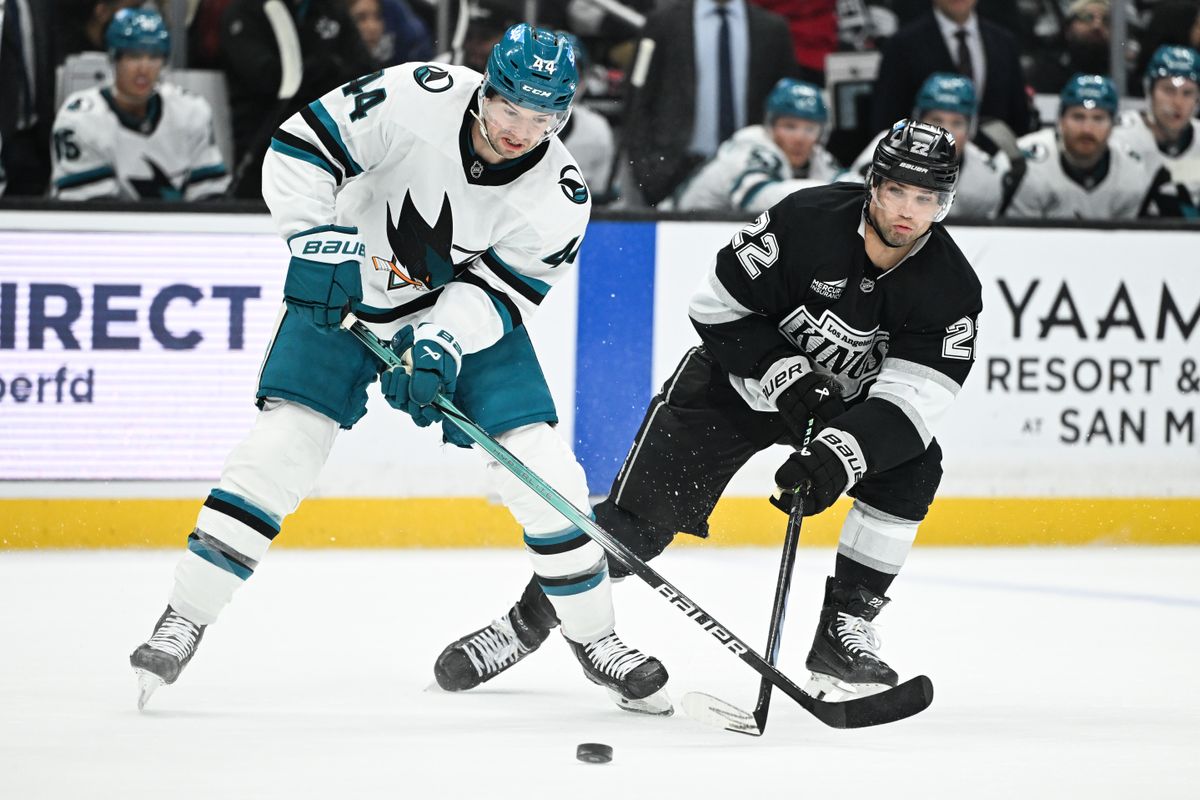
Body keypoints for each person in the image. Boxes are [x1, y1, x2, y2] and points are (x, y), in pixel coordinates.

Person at [128, 25, 668, 715]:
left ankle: (596, 638)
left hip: (457, 307)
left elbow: (501, 292)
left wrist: (442, 340)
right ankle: (185, 616)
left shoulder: (560, 195)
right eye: (509, 108)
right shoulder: (415, 94)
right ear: (487, 88)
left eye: (542, 118)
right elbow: (300, 146)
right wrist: (313, 240)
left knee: (545, 469)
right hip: (347, 282)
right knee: (280, 449)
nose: (520, 130)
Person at [434, 120, 983, 705]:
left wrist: (839, 456)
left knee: (914, 465)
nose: (908, 211)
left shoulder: (949, 285)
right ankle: (525, 625)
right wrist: (781, 371)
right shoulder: (806, 220)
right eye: (898, 190)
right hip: (734, 384)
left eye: (927, 198)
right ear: (873, 185)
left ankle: (841, 630)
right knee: (634, 528)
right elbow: (714, 305)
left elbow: (915, 399)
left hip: (840, 410)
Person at [624, 0, 798, 206]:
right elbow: (638, 98)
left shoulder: (772, 28)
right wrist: (648, 172)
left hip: (751, 171)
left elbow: (788, 106)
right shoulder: (662, 23)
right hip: (673, 171)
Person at [49, 8, 231, 201]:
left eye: (153, 57)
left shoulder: (190, 111)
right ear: (113, 58)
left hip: (177, 229)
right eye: (133, 56)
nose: (143, 69)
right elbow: (91, 213)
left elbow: (210, 196)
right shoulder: (80, 119)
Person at [221, 0, 376, 198]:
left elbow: (366, 76)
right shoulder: (246, 11)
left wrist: (317, 71)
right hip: (264, 152)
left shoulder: (332, 10)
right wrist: (329, 67)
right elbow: (268, 78)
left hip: (332, 153)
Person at [1006, 74, 1172, 219]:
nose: (1087, 129)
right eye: (1078, 117)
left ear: (1113, 125)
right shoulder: (1029, 166)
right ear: (1060, 122)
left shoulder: (1131, 172)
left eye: (1098, 119)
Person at [847, 72, 1011, 219]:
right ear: (919, 121)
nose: (946, 132)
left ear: (971, 129)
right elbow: (850, 197)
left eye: (957, 123)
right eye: (936, 120)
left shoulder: (985, 175)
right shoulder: (890, 143)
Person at [669, 77, 841, 212]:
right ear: (771, 127)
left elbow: (849, 184)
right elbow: (759, 201)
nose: (800, 138)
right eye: (790, 126)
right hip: (675, 232)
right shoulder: (751, 147)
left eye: (810, 129)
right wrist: (833, 194)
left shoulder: (816, 155)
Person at [870, 0, 1032, 138]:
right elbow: (887, 117)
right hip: (923, 164)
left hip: (994, 165)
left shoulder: (1004, 42)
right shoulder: (901, 45)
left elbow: (1018, 115)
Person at [1112, 45, 1200, 216]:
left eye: (1187, 93)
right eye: (1168, 90)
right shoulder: (1119, 138)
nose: (1177, 103)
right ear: (1148, 90)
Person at [1027, 0, 1112, 94]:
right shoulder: (1046, 72)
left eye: (1106, 20)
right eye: (1087, 18)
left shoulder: (1121, 73)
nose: (1097, 26)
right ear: (1068, 29)